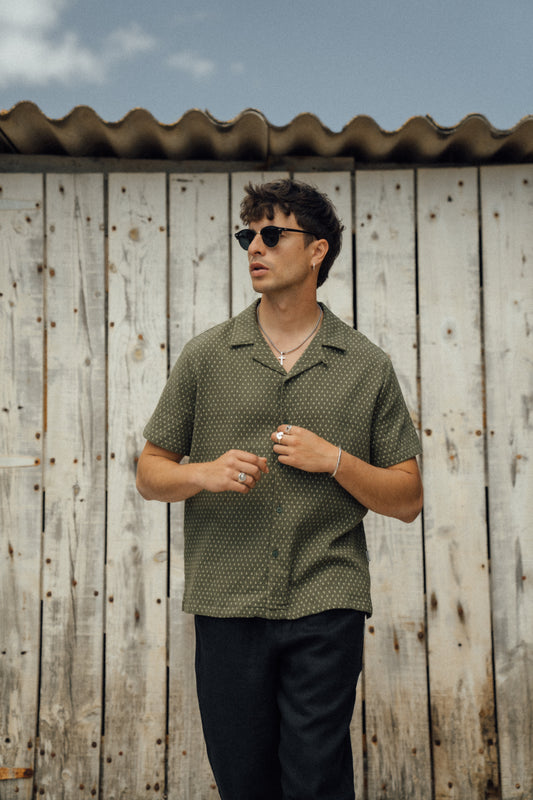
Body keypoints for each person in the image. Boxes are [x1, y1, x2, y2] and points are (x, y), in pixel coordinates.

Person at [136, 178, 423, 800]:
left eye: (272, 233)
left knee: (316, 780)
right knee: (243, 781)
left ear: (318, 251)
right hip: (226, 600)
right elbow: (149, 471)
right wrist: (202, 473)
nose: (255, 248)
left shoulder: (366, 365)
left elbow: (407, 498)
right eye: (248, 235)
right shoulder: (206, 356)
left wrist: (335, 460)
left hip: (326, 600)